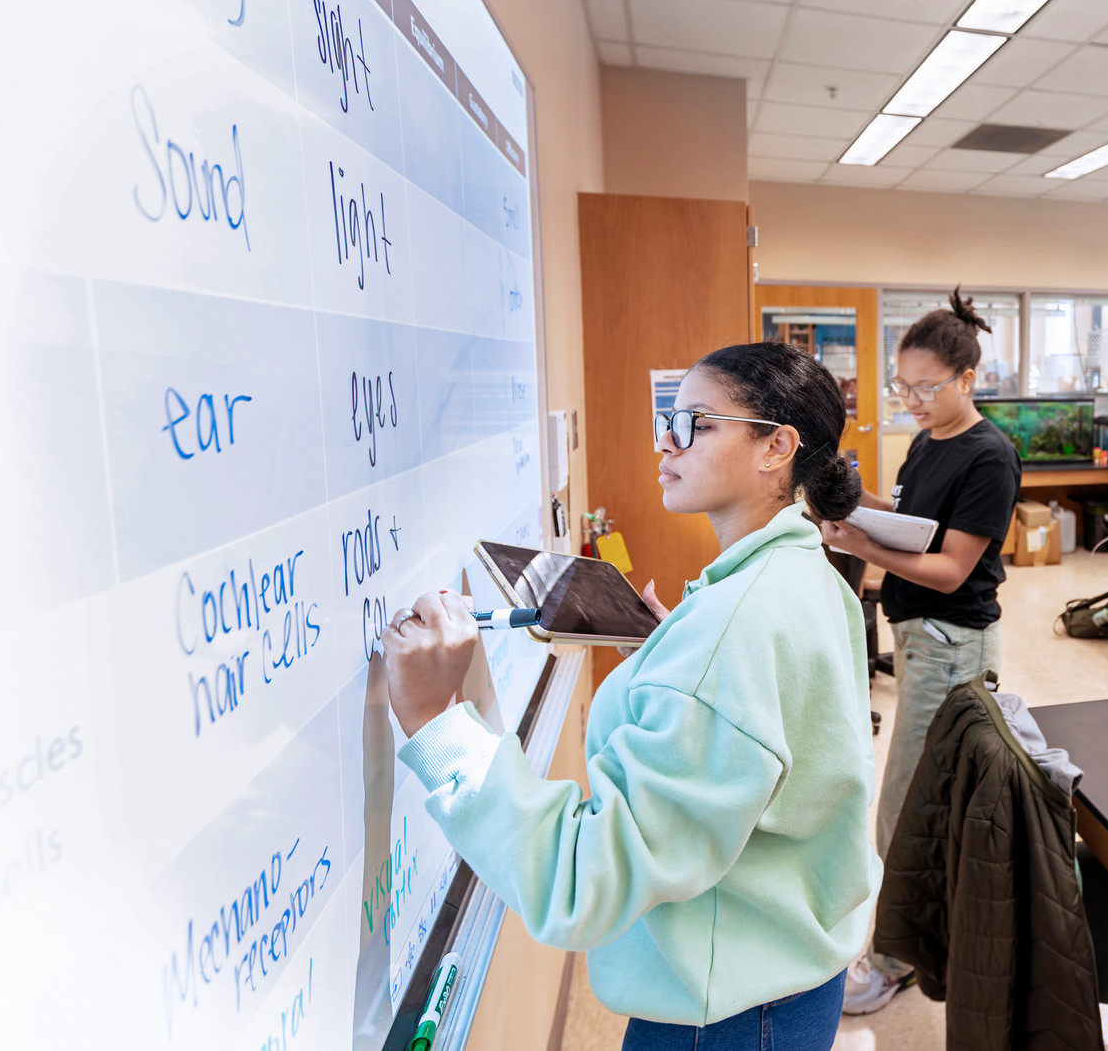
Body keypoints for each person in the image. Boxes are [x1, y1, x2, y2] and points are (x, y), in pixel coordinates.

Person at [381, 342, 878, 1050]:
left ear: (776, 447)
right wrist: (670, 661)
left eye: (693, 424)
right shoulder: (807, 575)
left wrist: (437, 722)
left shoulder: (732, 630)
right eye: (667, 421)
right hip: (780, 977)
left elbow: (581, 885)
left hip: (729, 1013)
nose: (664, 443)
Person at [817, 291, 1021, 1015]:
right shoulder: (927, 442)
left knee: (901, 810)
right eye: (903, 387)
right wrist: (850, 499)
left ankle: (893, 959)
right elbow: (913, 525)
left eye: (926, 388)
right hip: (920, 641)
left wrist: (863, 543)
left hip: (951, 643)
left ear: (968, 378)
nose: (912, 400)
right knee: (930, 804)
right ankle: (932, 937)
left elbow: (950, 568)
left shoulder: (989, 456)